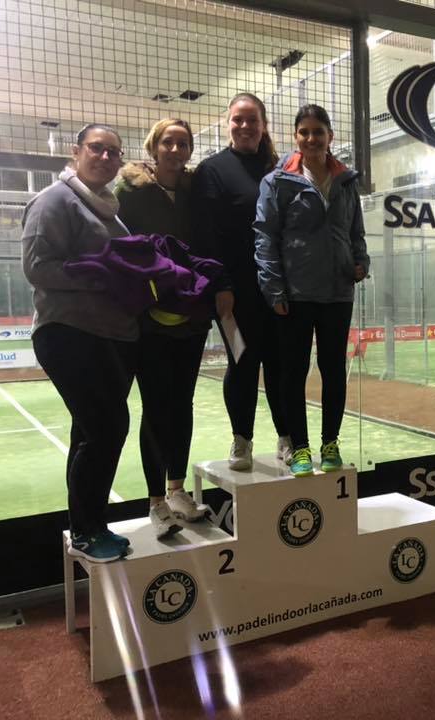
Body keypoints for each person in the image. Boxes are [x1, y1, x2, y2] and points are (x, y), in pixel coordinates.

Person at [22, 124, 135, 563]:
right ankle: (88, 530)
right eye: (97, 148)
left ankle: (88, 526)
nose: (106, 157)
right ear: (76, 152)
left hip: (111, 336)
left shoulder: (109, 210)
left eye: (113, 152)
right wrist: (100, 275)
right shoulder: (54, 200)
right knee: (108, 427)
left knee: (90, 431)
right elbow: (37, 267)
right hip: (67, 332)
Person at [254, 104, 369, 477]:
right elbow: (265, 237)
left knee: (334, 369)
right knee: (293, 371)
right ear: (295, 137)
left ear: (329, 136)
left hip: (338, 292)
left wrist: (361, 262)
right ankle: (300, 448)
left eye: (318, 131)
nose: (311, 138)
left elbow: (355, 232)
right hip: (296, 294)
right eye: (304, 131)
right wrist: (274, 289)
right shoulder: (277, 182)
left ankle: (330, 443)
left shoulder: (346, 181)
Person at [115, 118, 215, 538]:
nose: (175, 150)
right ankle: (156, 501)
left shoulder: (196, 192)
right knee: (156, 407)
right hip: (149, 318)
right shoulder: (130, 192)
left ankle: (177, 491)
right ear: (154, 147)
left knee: (182, 404)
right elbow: (119, 247)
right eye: (168, 142)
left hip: (191, 317)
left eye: (183, 143)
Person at [192, 93, 291, 471]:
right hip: (233, 295)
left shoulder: (282, 168)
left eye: (252, 120)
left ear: (264, 125)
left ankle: (288, 438)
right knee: (242, 363)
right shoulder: (212, 170)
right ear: (227, 124)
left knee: (281, 365)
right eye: (238, 119)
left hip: (279, 292)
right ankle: (242, 441)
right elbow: (206, 237)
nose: (245, 126)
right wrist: (221, 287)